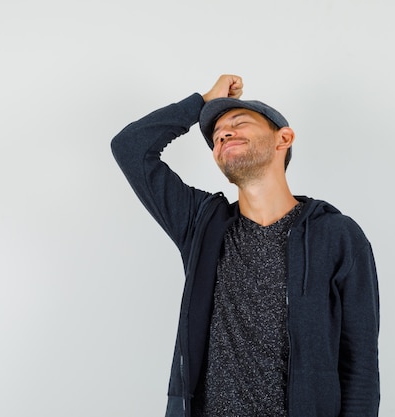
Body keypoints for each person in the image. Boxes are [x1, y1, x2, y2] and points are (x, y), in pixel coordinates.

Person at [111, 74, 380, 417]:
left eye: (239, 123)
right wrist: (201, 102)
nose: (223, 134)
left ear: (283, 138)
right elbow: (130, 147)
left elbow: (360, 365)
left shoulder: (337, 235)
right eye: (217, 136)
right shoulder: (200, 226)